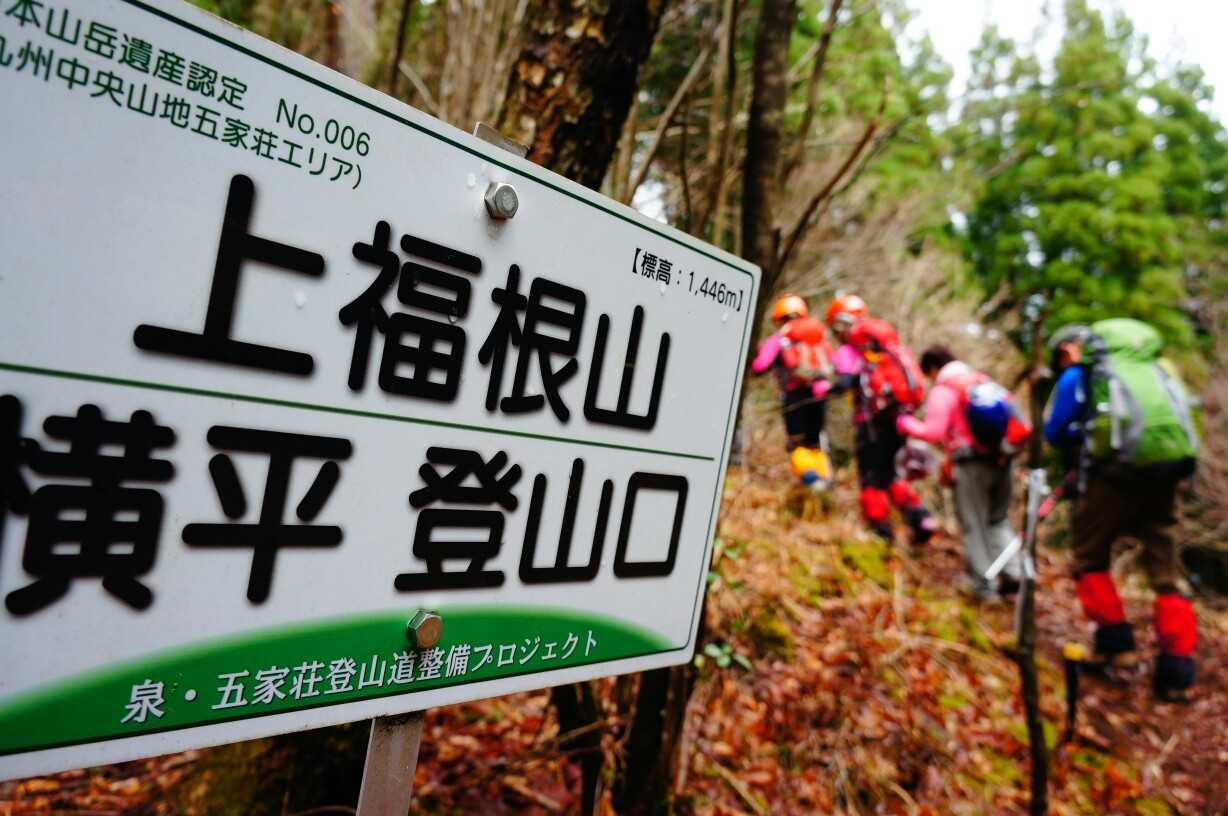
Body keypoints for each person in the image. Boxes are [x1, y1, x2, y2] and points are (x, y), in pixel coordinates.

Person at [1045, 319, 1200, 700]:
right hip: (1164, 473)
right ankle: (1177, 673)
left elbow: (1055, 432)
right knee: (1166, 571)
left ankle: (1116, 645)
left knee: (1089, 555)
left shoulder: (1080, 374)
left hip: (1111, 476)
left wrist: (1082, 438)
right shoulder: (1156, 369)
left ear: (1068, 350)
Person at [898, 346, 1028, 601]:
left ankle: (984, 586)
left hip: (970, 465)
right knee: (998, 519)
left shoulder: (944, 391)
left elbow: (933, 432)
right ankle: (1013, 572)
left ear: (933, 369)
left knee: (973, 524)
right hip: (1002, 460)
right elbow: (1018, 420)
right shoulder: (983, 382)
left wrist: (905, 423)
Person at [840, 317, 937, 544]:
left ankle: (881, 531)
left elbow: (849, 384)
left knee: (871, 477)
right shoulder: (900, 355)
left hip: (873, 426)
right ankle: (920, 518)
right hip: (899, 422)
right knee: (893, 473)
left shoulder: (870, 360)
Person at [752, 294, 834, 490]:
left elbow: (760, 366)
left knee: (797, 443)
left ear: (780, 318)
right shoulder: (817, 336)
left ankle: (811, 481)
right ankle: (824, 481)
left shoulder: (781, 338)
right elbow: (834, 362)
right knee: (814, 443)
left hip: (794, 396)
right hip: (819, 395)